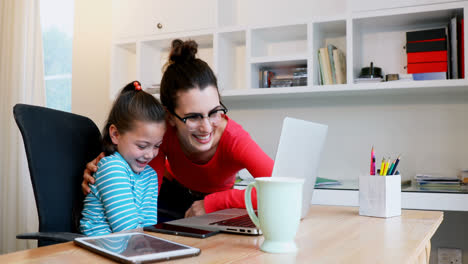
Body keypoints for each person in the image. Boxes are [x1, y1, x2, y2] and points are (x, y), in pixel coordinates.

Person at [82, 39, 274, 221]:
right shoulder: (162, 132)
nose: (206, 127)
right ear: (170, 117)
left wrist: (212, 203)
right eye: (193, 117)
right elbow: (145, 188)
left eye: (215, 112)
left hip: (217, 204)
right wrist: (105, 171)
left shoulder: (234, 139)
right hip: (169, 196)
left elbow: (282, 188)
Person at [80, 81, 166, 236]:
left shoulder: (150, 176)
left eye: (157, 146)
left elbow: (148, 229)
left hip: (129, 247)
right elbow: (126, 230)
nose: (150, 154)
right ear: (115, 135)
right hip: (98, 248)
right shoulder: (112, 168)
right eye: (141, 146)